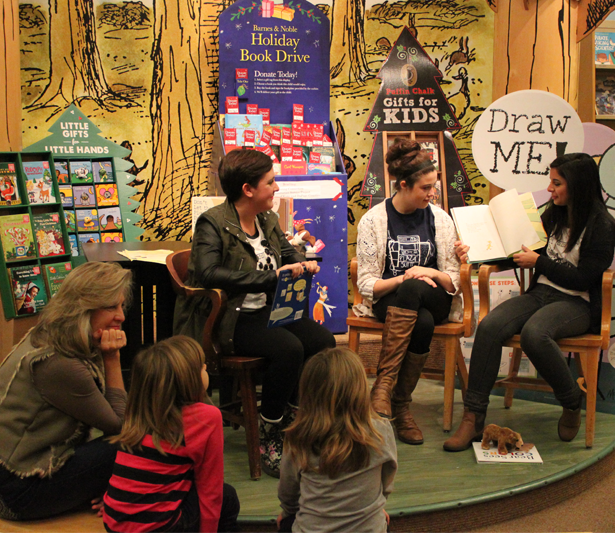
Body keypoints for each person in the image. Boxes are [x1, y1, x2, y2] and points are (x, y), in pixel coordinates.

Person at [173, 148, 336, 477]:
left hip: (269, 310)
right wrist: (267, 277)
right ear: (248, 189)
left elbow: (287, 253)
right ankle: (271, 431)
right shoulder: (213, 223)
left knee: (322, 340)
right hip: (231, 318)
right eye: (271, 182)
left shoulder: (267, 219)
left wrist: (302, 264)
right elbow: (206, 273)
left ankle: (294, 416)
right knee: (288, 349)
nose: (276, 189)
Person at [444, 152, 615, 452]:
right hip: (541, 294)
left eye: (557, 183)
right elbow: (521, 251)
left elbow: (583, 279)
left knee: (534, 334)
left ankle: (570, 401)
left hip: (577, 302)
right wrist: (477, 250)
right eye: (550, 182)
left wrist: (539, 262)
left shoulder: (603, 226)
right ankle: (473, 416)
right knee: (489, 327)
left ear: (577, 185)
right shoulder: (554, 213)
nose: (550, 190)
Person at [0, 262, 132, 520]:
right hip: (10, 491)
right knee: (134, 445)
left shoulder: (51, 333)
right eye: (111, 306)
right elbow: (121, 426)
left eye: (122, 306)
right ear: (83, 308)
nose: (121, 316)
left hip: (5, 476)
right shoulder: (59, 363)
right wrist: (112, 358)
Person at [354, 139, 467, 445]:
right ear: (403, 185)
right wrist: (403, 279)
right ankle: (401, 406)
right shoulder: (374, 221)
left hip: (436, 296)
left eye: (435, 186)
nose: (433, 194)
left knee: (417, 287)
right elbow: (367, 283)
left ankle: (383, 387)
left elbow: (453, 279)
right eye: (426, 188)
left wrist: (427, 272)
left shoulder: (440, 219)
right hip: (391, 300)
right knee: (423, 321)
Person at [102, 336, 240, 533]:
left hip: (115, 523)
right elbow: (211, 490)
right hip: (158, 527)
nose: (206, 370)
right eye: (202, 367)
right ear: (188, 378)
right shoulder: (206, 418)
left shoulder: (140, 412)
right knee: (228, 496)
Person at [277, 347, 397, 533]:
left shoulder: (298, 436)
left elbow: (288, 493)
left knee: (286, 523)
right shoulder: (380, 429)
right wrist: (378, 506)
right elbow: (387, 480)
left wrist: (288, 513)